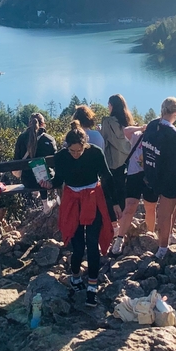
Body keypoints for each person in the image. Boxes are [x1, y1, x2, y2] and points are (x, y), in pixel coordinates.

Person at [39, 120, 121, 308]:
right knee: (77, 246)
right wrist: (49, 184)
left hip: (92, 196)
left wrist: (114, 203)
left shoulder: (95, 153)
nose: (76, 154)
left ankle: (92, 286)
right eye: (72, 151)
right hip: (72, 199)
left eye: (79, 151)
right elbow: (59, 179)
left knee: (92, 243)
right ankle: (75, 277)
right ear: (67, 147)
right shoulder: (61, 157)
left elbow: (107, 177)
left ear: (86, 145)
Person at [141, 97, 176, 259]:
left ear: (162, 110)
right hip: (171, 180)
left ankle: (165, 240)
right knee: (165, 215)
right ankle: (163, 248)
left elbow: (147, 150)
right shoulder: (173, 134)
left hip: (154, 175)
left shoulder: (152, 125)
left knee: (166, 213)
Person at [110, 127, 157, 256]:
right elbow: (125, 131)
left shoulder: (158, 138)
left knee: (150, 207)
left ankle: (150, 234)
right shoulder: (138, 135)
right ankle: (119, 239)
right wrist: (141, 127)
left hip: (151, 175)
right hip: (134, 174)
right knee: (130, 206)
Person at [101, 94, 141, 210]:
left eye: (108, 104)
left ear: (112, 105)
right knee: (123, 190)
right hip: (128, 163)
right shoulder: (128, 123)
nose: (108, 106)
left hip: (113, 162)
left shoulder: (107, 122)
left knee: (110, 192)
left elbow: (104, 141)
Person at [14, 112, 58, 213]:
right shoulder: (49, 139)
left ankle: (37, 194)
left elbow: (16, 160)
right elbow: (55, 162)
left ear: (29, 124)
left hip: (28, 182)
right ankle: (46, 203)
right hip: (47, 180)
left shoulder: (21, 138)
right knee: (45, 174)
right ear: (43, 124)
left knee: (34, 175)